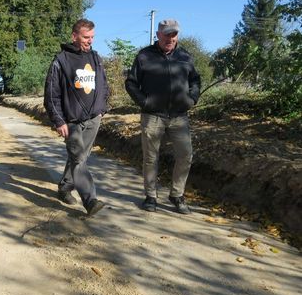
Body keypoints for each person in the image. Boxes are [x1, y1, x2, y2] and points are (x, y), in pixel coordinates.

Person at [125, 19, 201, 214]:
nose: (170, 38)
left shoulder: (185, 57)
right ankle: (150, 196)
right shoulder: (144, 56)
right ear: (158, 35)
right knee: (151, 158)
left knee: (185, 155)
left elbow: (195, 80)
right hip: (153, 116)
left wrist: (192, 99)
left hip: (179, 116)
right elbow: (131, 83)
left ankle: (177, 194)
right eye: (167, 34)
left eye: (174, 34)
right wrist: (145, 102)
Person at [44, 18, 109, 216]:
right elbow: (51, 94)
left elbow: (104, 85)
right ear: (74, 36)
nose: (90, 41)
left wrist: (102, 108)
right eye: (86, 37)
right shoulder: (61, 61)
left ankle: (64, 187)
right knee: (79, 158)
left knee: (79, 157)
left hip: (93, 118)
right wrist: (59, 120)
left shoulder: (96, 58)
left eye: (92, 37)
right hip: (71, 121)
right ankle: (90, 201)